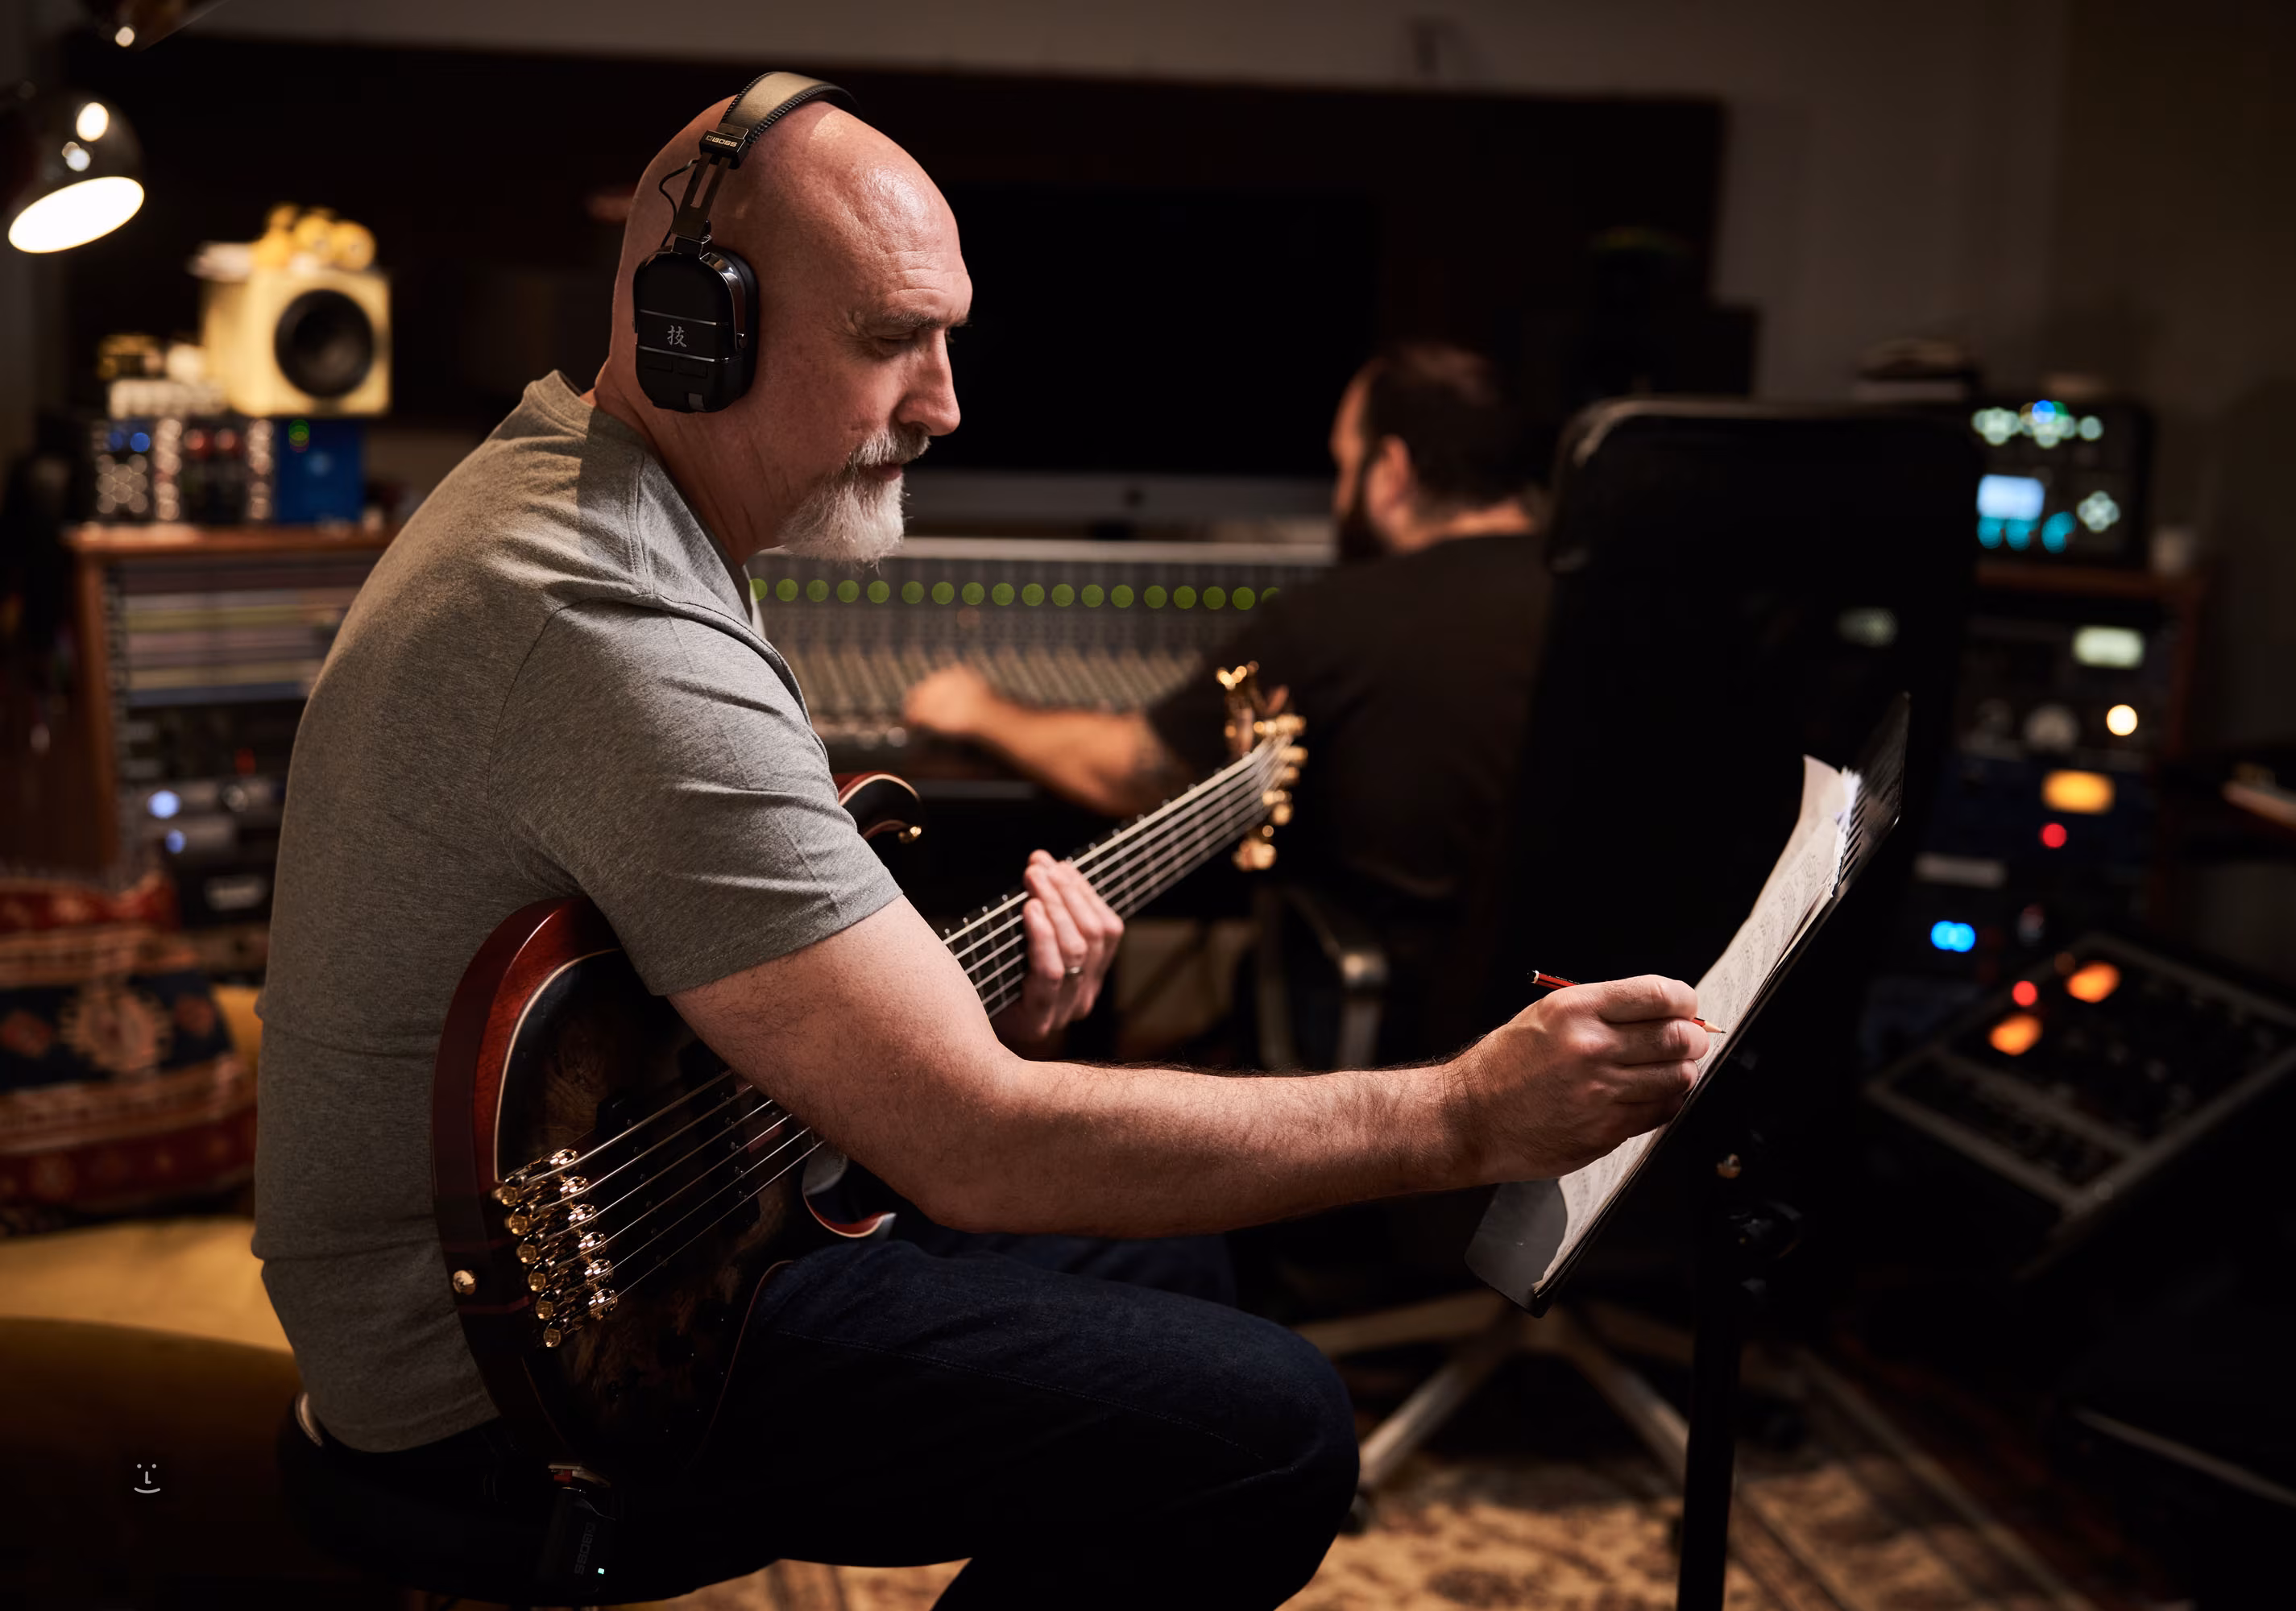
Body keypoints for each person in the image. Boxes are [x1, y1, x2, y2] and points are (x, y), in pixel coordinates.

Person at [253, 89, 1705, 1610]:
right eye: (893, 339)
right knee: (1270, 1433)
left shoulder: (589, 492)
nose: (945, 403)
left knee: (1179, 1271)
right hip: (516, 1381)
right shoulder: (612, 624)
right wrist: (1466, 1117)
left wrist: (963, 1021)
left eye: (948, 337)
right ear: (699, 331)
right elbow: (975, 1145)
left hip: (642, 1240)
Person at [906, 342, 1550, 1061]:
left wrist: (979, 708)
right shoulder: (1603, 610)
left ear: (1392, 472)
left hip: (1404, 1054)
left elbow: (1134, 770)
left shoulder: (1338, 619)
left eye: (1344, 467)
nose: (1339, 496)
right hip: (1560, 1024)